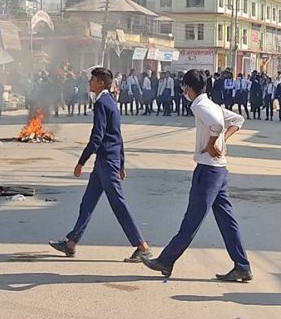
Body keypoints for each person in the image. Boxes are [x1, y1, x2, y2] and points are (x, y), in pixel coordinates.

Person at [140, 69, 251, 282]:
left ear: (188, 88)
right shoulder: (211, 104)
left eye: (185, 88)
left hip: (208, 170)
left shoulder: (199, 105)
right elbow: (237, 119)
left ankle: (166, 260)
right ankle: (242, 265)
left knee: (192, 219)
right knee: (227, 220)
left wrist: (211, 144)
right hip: (220, 169)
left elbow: (217, 125)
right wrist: (222, 141)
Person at [50, 67, 151, 262]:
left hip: (106, 162)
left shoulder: (102, 104)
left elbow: (97, 137)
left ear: (101, 83)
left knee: (119, 204)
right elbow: (118, 136)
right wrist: (121, 163)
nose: (89, 82)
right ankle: (71, 243)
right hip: (106, 162)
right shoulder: (110, 102)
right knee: (87, 203)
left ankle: (142, 246)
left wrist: (81, 162)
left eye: (93, 80)